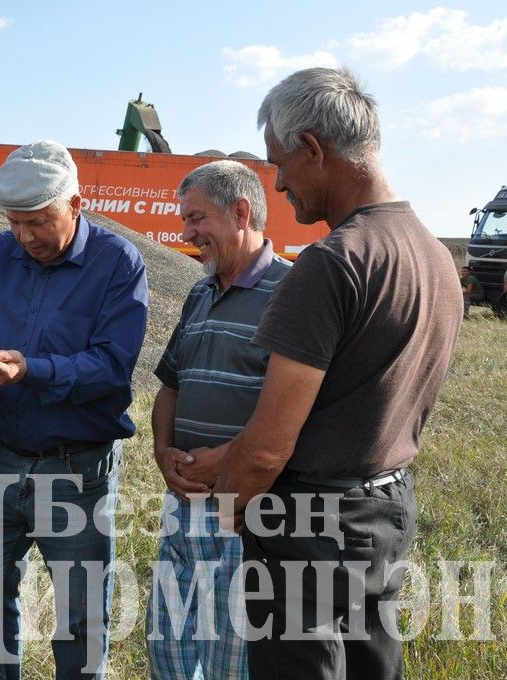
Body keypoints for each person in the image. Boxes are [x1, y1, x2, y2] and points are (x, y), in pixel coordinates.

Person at [214, 67, 462, 680]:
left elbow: (269, 446)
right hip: (386, 507)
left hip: (310, 523)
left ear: (314, 150)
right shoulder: (434, 256)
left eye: (280, 163)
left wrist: (228, 502)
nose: (278, 183)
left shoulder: (331, 264)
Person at [0, 140, 148, 679]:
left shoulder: (118, 263)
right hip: (0, 457)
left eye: (38, 222)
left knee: (80, 617)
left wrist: (31, 370)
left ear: (76, 205)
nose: (25, 236)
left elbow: (111, 366)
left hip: (77, 469)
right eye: (15, 222)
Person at [147, 160, 290, 680]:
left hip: (246, 514)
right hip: (181, 507)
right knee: (169, 650)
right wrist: (163, 453)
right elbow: (171, 384)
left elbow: (299, 416)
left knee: (233, 658)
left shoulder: (290, 295)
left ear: (241, 212)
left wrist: (224, 461)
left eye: (196, 218)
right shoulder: (199, 293)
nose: (187, 234)